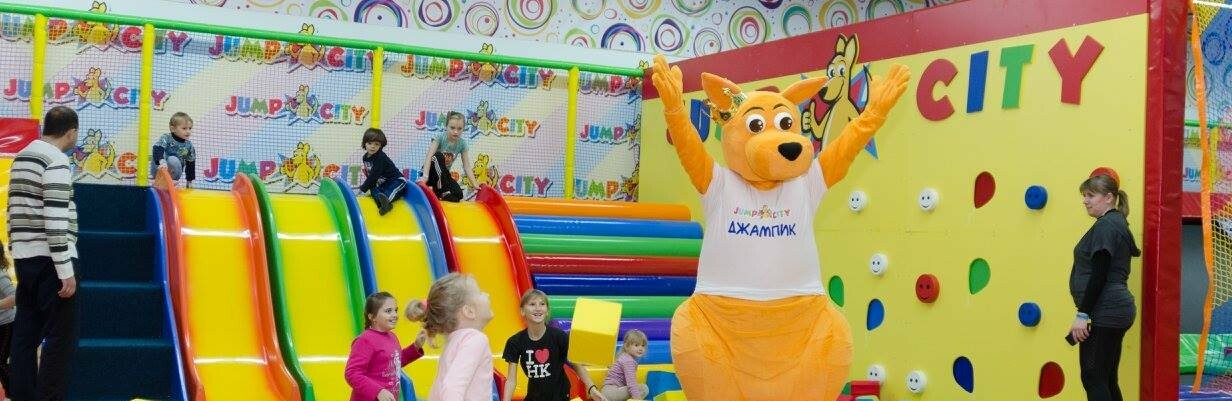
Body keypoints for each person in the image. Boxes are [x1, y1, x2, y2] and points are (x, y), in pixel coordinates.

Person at [7, 105, 80, 400]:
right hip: (51, 260)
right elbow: (55, 217)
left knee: (25, 335)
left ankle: (21, 394)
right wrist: (65, 269)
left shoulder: (22, 156)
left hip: (24, 257)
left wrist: (16, 249)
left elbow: (12, 210)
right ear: (71, 132)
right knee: (61, 337)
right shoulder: (56, 160)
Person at [1067, 168, 1140, 401]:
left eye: (1090, 195)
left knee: (1093, 377)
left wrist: (1083, 314)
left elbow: (1099, 274)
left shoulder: (1106, 226)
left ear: (1108, 197)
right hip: (1113, 309)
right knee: (1105, 378)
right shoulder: (1114, 223)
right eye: (1084, 195)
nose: (1085, 201)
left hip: (1106, 309)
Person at [502, 289, 608, 401]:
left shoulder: (559, 336)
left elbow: (576, 364)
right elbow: (511, 380)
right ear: (522, 311)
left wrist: (592, 388)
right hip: (534, 397)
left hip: (559, 396)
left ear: (547, 311)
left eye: (542, 304)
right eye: (532, 304)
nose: (538, 308)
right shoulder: (515, 342)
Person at [406, 273, 494, 401]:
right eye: (480, 293)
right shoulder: (475, 339)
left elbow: (439, 391)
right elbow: (451, 388)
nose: (487, 294)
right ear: (469, 311)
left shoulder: (454, 342)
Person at [345, 291, 426, 401]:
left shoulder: (392, 337)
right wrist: (378, 391)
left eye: (395, 310)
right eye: (388, 311)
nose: (395, 315)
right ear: (372, 317)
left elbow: (394, 362)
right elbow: (352, 373)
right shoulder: (365, 340)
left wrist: (416, 346)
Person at [417, 112, 476, 202]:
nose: (456, 131)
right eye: (452, 128)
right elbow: (429, 157)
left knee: (458, 194)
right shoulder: (440, 138)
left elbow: (467, 166)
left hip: (443, 176)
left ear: (463, 129)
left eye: (459, 129)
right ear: (446, 127)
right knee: (438, 156)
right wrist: (425, 176)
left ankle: (438, 193)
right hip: (430, 174)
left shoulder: (462, 144)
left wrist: (475, 184)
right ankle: (442, 192)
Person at [358, 128, 408, 215]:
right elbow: (370, 175)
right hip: (384, 183)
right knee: (373, 189)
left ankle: (386, 202)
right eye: (369, 143)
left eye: (376, 144)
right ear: (364, 143)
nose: (373, 146)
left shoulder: (380, 157)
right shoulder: (365, 158)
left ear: (380, 146)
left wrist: (363, 189)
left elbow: (374, 175)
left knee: (389, 191)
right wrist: (368, 189)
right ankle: (382, 203)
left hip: (397, 180)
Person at [601, 329, 648, 401]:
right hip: (612, 392)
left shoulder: (624, 357)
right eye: (636, 345)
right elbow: (631, 384)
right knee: (644, 388)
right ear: (626, 346)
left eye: (643, 345)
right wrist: (638, 399)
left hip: (607, 391)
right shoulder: (628, 361)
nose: (640, 349)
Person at [152, 112, 197, 188]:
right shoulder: (166, 137)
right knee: (157, 151)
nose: (188, 131)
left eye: (190, 128)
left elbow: (190, 164)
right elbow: (158, 148)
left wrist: (189, 181)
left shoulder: (189, 145)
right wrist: (161, 161)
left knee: (173, 159)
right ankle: (157, 179)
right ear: (173, 129)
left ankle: (172, 181)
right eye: (184, 128)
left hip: (174, 173)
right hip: (161, 168)